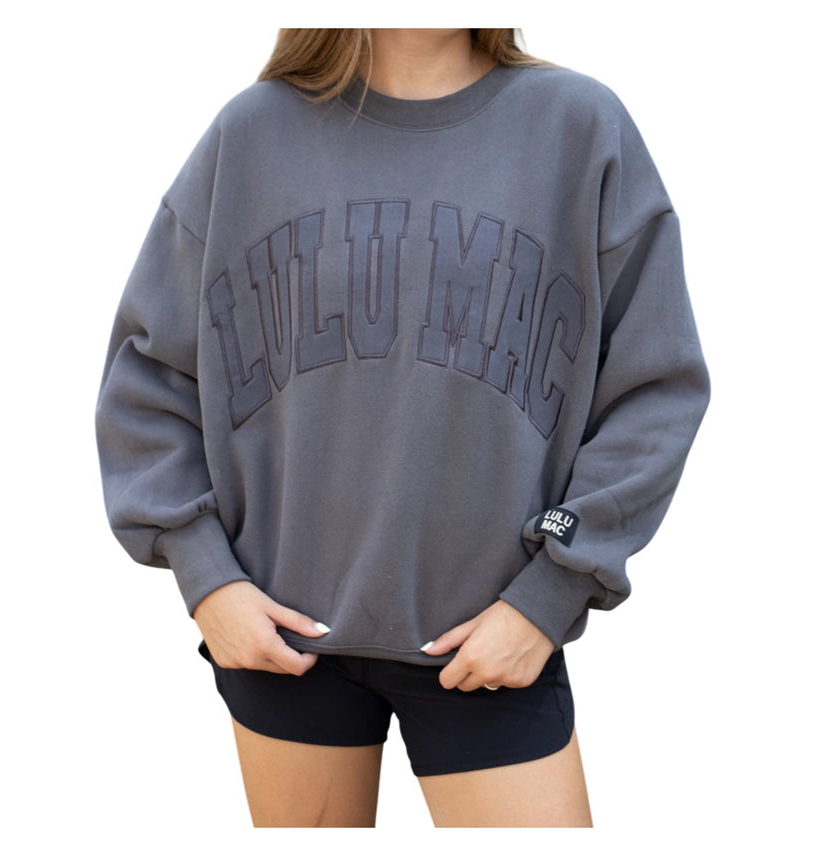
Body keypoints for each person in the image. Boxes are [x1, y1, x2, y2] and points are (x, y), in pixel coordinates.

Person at [96, 28, 709, 827]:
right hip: (284, 643)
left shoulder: (579, 127)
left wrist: (550, 591)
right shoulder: (251, 135)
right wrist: (208, 577)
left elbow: (655, 389)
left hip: (489, 644)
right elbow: (149, 375)